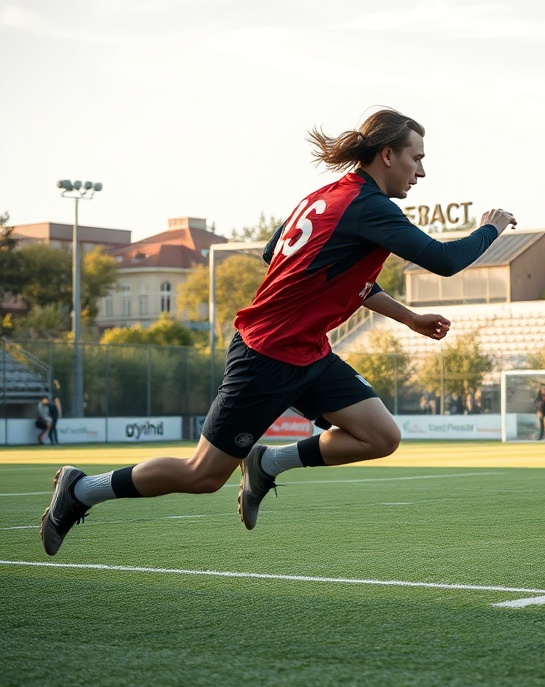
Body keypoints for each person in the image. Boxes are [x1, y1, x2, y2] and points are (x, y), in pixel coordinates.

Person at [40, 107, 517, 556]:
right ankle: (82, 490)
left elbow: (282, 257)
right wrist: (491, 229)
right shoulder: (368, 207)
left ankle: (268, 463)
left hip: (306, 351)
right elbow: (446, 261)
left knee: (380, 436)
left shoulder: (323, 197)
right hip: (266, 354)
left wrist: (407, 317)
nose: (422, 172)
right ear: (387, 154)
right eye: (417, 159)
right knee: (203, 475)